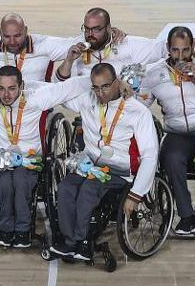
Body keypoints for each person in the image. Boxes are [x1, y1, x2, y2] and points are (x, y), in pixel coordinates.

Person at [0, 65, 93, 248]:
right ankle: (6, 230)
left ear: (21, 86)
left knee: (21, 180)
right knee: (6, 184)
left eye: (12, 88)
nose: (6, 94)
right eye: (1, 88)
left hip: (29, 160)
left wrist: (114, 81)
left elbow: (69, 87)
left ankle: (23, 230)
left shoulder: (38, 99)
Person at [51, 63, 159, 260]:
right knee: (66, 187)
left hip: (119, 171)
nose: (100, 93)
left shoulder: (137, 112)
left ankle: (82, 242)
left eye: (106, 86)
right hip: (90, 165)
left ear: (118, 82)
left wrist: (135, 195)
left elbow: (150, 155)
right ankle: (69, 242)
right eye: (95, 87)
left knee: (89, 190)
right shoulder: (87, 100)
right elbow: (60, 92)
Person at [138, 26, 195, 236]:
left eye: (185, 50)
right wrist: (132, 95)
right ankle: (186, 217)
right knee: (171, 160)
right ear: (168, 48)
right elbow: (142, 104)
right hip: (175, 132)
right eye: (175, 50)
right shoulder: (154, 73)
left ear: (193, 48)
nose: (180, 56)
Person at [54, 7, 195, 81]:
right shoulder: (77, 47)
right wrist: (68, 60)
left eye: (96, 29)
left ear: (109, 28)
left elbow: (172, 47)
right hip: (89, 108)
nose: (90, 35)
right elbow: (60, 85)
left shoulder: (128, 44)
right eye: (87, 29)